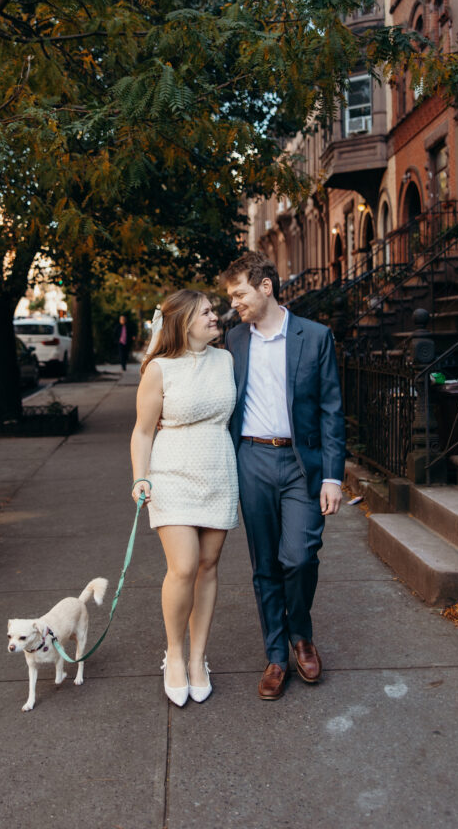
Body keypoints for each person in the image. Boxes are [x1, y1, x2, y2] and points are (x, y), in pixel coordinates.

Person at [220, 252, 345, 701]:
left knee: (300, 557)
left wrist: (333, 477)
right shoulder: (234, 339)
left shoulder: (315, 336)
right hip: (251, 458)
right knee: (265, 565)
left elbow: (332, 409)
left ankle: (301, 633)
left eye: (239, 294)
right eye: (231, 297)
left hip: (300, 463)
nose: (234, 303)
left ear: (266, 287)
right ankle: (277, 655)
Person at [130, 290, 239, 706]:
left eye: (213, 310)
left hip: (218, 470)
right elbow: (143, 431)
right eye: (206, 312)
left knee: (208, 566)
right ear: (184, 322)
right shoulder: (159, 369)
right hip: (172, 473)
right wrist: (140, 478)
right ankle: (174, 654)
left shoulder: (226, 360)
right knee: (184, 566)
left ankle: (198, 659)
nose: (215, 316)